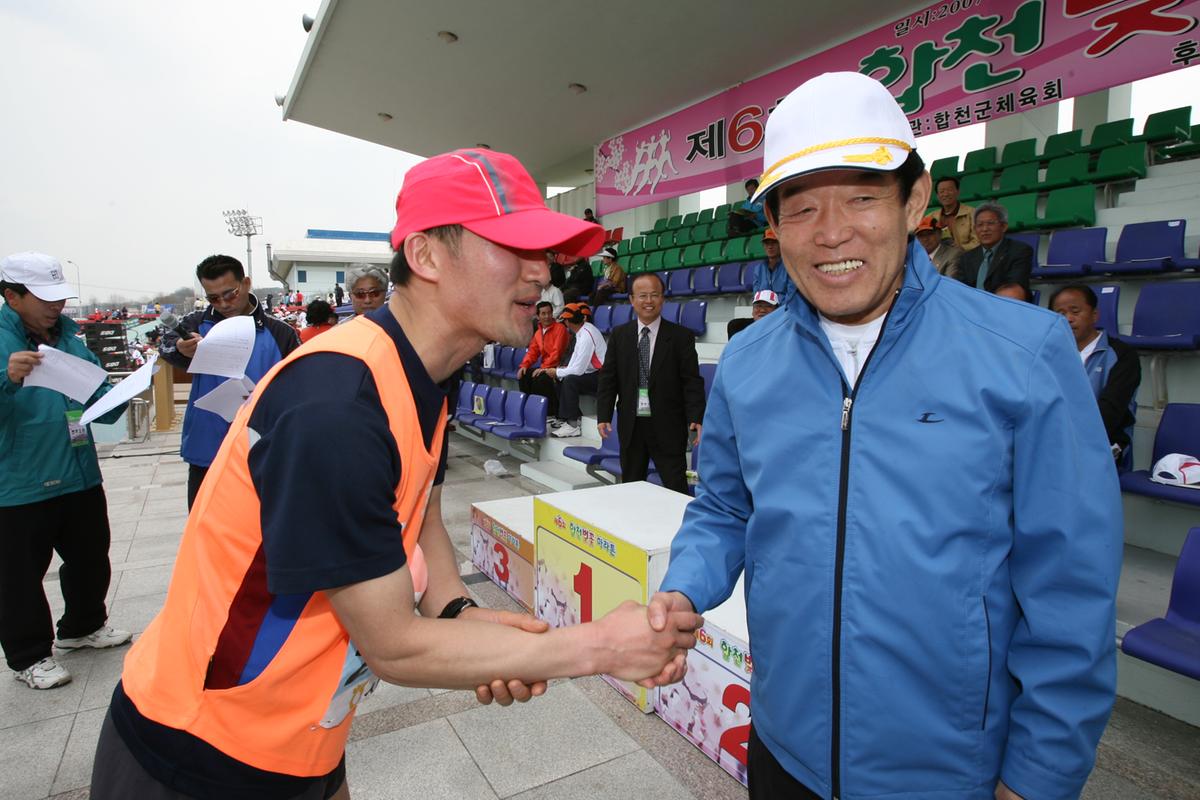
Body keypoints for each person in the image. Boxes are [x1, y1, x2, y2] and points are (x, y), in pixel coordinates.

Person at [90, 149, 699, 800]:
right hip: (201, 754)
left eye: (546, 253)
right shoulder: (338, 408)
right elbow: (394, 645)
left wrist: (453, 605)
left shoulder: (419, 375)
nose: (541, 275)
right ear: (427, 255)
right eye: (514, 248)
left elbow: (420, 510)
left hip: (301, 742)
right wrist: (601, 647)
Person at [647, 72, 1121, 800]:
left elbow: (1071, 584)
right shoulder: (747, 360)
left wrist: (1041, 773)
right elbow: (724, 510)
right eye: (801, 208)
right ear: (774, 224)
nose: (832, 232)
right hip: (785, 750)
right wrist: (686, 586)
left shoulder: (1024, 354)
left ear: (917, 200)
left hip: (949, 772)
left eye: (862, 198)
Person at [0, 252, 132, 691]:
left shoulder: (71, 339)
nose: (56, 306)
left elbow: (96, 398)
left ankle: (82, 627)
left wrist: (120, 395)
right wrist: (6, 379)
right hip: (19, 481)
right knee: (19, 574)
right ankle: (28, 655)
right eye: (45, 298)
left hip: (78, 471)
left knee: (90, 556)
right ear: (12, 296)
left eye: (60, 297)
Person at [158, 255, 300, 509]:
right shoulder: (196, 324)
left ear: (246, 283)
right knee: (206, 537)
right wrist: (180, 348)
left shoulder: (281, 333)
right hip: (208, 450)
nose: (223, 303)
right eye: (213, 298)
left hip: (263, 449)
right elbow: (165, 347)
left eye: (230, 294)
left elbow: (301, 384)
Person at [596, 273, 705, 493]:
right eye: (642, 295)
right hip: (631, 423)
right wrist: (604, 415)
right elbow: (609, 377)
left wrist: (696, 417)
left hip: (668, 425)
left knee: (675, 486)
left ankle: (679, 526)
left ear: (663, 299)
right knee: (631, 486)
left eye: (654, 295)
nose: (648, 301)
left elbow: (691, 381)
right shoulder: (620, 335)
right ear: (631, 300)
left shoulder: (680, 337)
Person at [1050, 285, 1141, 470]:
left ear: (1094, 314)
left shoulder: (1123, 355)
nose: (1068, 319)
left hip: (1103, 443)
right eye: (1060, 314)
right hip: (1054, 441)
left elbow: (1110, 413)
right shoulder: (1049, 354)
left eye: (1075, 311)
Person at [543, 302, 606, 438]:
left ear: (567, 322)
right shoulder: (581, 331)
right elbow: (574, 361)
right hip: (594, 373)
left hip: (604, 377)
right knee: (562, 378)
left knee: (570, 380)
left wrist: (557, 371)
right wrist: (560, 371)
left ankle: (572, 426)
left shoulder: (586, 335)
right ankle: (570, 419)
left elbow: (577, 370)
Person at [955, 202, 1034, 297]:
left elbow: (1014, 289)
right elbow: (959, 289)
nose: (985, 229)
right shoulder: (966, 258)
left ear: (1004, 227)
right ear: (975, 229)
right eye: (980, 225)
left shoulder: (1020, 251)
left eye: (990, 223)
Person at [517, 301, 570, 420]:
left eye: (549, 313)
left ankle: (548, 413)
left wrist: (543, 368)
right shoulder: (538, 333)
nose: (547, 316)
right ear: (538, 316)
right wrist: (524, 365)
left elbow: (557, 353)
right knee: (524, 375)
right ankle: (531, 409)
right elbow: (532, 352)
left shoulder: (560, 329)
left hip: (559, 366)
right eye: (543, 313)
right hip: (547, 366)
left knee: (540, 379)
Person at [934, 176, 980, 251]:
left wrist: (962, 248)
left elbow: (979, 240)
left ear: (958, 192)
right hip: (940, 259)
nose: (945, 194)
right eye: (942, 191)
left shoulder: (973, 213)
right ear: (938, 196)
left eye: (949, 190)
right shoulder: (931, 217)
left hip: (968, 256)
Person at [914, 214, 964, 279]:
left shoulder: (953, 255)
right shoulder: (913, 258)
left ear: (939, 234)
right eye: (921, 236)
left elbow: (949, 284)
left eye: (929, 234)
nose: (925, 239)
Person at [749, 229, 794, 300]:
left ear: (780, 244)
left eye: (773, 242)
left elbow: (791, 295)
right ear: (764, 246)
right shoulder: (758, 269)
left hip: (783, 308)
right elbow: (756, 295)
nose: (770, 247)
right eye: (767, 244)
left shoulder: (789, 266)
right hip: (765, 308)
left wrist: (775, 307)